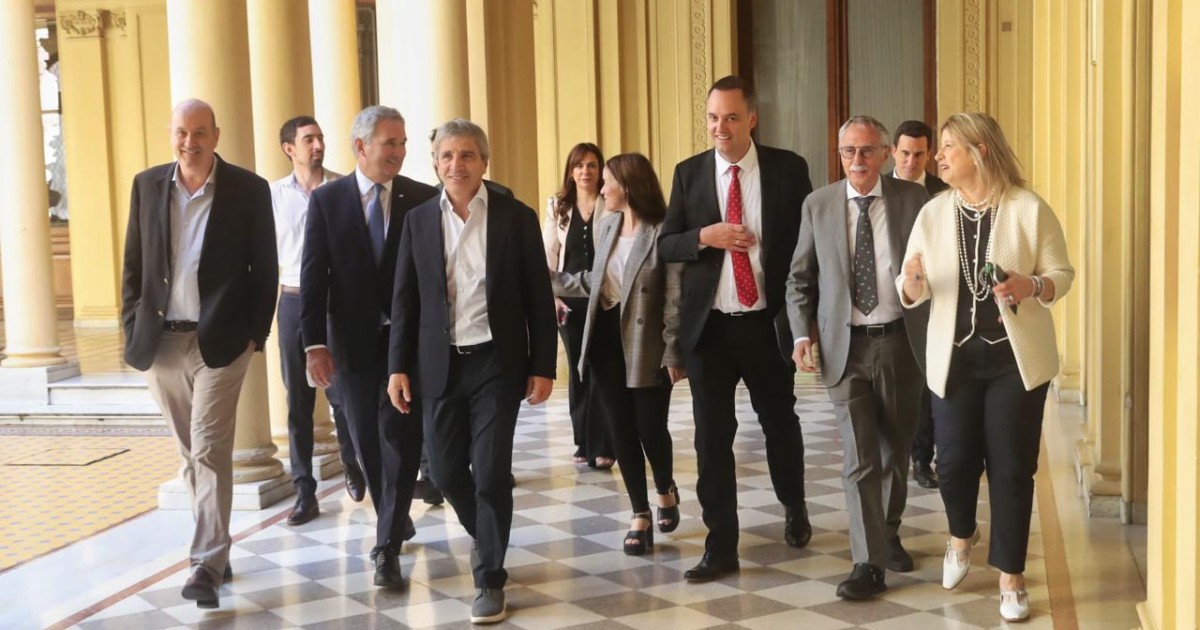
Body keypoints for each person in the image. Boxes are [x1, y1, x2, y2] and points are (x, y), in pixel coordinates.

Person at [897, 112, 1074, 622]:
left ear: (981, 151)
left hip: (1013, 364)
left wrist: (1032, 286)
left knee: (1011, 468)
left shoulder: (1027, 208)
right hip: (953, 360)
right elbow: (912, 287)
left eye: (949, 146)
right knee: (951, 465)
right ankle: (961, 534)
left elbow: (1061, 273)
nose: (939, 156)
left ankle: (1010, 576)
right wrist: (910, 283)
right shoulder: (932, 213)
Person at [388, 118, 556, 624]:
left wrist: (543, 366)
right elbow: (406, 299)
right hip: (437, 365)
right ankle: (488, 539)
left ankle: (489, 578)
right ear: (435, 163)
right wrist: (397, 366)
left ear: (484, 162)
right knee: (442, 470)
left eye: (466, 156)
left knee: (487, 471)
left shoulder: (515, 217)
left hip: (495, 363)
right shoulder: (418, 221)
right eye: (446, 156)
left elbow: (537, 300)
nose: (455, 165)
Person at [121, 99, 277, 608]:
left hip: (221, 342)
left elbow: (265, 267)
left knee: (209, 447)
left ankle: (205, 565)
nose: (191, 142)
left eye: (200, 133)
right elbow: (133, 264)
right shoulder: (147, 185)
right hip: (162, 340)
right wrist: (131, 326)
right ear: (171, 134)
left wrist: (256, 332)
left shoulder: (248, 190)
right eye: (182, 133)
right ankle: (217, 547)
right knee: (190, 454)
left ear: (217, 134)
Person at [658, 76, 813, 583]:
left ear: (751, 118)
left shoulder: (789, 170)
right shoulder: (689, 173)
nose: (719, 128)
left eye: (729, 117)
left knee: (780, 424)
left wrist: (806, 324)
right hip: (711, 331)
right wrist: (706, 235)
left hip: (766, 325)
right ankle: (720, 544)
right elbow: (666, 245)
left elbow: (807, 250)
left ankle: (794, 504)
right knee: (711, 439)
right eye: (712, 118)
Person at [787, 116, 929, 600]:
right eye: (849, 151)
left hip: (900, 341)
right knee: (860, 455)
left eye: (868, 151)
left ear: (887, 154)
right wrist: (799, 336)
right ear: (840, 154)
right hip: (842, 347)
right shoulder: (818, 205)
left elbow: (937, 267)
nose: (858, 161)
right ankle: (867, 562)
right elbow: (799, 279)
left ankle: (887, 531)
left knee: (895, 449)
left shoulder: (914, 201)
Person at [300, 105, 437, 589]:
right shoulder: (327, 201)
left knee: (401, 440)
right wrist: (314, 343)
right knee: (366, 444)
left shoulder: (423, 199)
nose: (399, 152)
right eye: (390, 143)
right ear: (361, 147)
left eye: (403, 143)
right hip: (352, 346)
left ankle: (386, 549)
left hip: (407, 345)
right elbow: (313, 278)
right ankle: (395, 519)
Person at [552, 153, 685, 555]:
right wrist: (554, 282)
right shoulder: (607, 224)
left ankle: (665, 487)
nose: (601, 188)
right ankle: (639, 513)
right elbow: (598, 281)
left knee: (649, 427)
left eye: (607, 181)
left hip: (647, 344)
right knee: (621, 428)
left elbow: (674, 297)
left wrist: (673, 351)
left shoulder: (664, 231)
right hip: (606, 340)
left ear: (626, 186)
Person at [270, 115, 366, 525]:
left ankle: (353, 464)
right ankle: (304, 491)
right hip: (291, 302)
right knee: (299, 403)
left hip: (335, 304)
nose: (318, 145)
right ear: (289, 148)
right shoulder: (273, 196)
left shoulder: (344, 189)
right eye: (308, 139)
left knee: (343, 396)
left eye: (321, 138)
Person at [542, 142, 616, 469]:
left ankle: (604, 443)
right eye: (579, 166)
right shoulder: (558, 207)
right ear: (571, 172)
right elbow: (548, 255)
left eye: (592, 165)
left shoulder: (611, 202)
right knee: (577, 369)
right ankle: (583, 442)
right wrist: (553, 297)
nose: (585, 171)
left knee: (602, 368)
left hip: (604, 296)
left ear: (600, 171)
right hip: (568, 302)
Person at [890, 119, 948, 490]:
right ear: (893, 152)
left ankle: (922, 458)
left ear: (929, 155)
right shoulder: (877, 189)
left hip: (934, 298)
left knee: (930, 382)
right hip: (887, 300)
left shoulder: (943, 193)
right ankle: (896, 453)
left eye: (919, 154)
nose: (911, 161)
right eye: (905, 153)